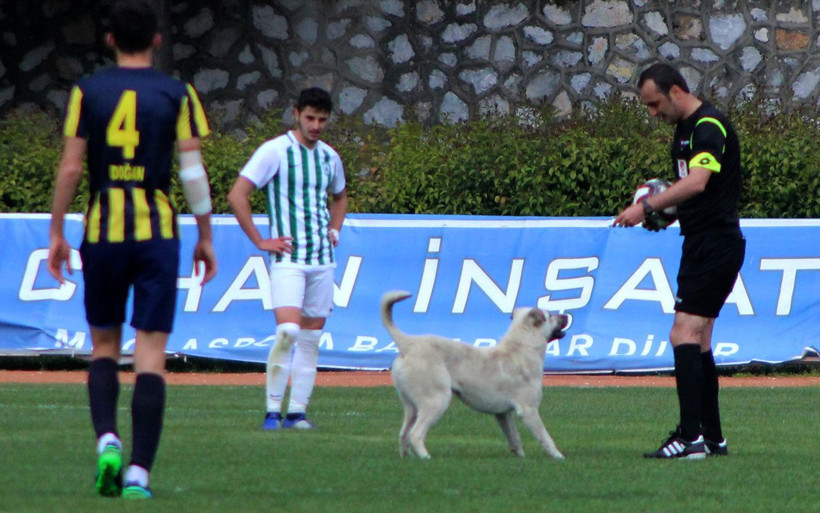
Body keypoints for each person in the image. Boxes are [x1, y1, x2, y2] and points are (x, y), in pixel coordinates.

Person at [47, 0, 217, 498]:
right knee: (150, 355)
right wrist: (206, 235)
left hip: (102, 231)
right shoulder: (176, 92)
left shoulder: (88, 91)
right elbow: (192, 172)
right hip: (155, 233)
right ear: (157, 41)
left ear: (110, 41)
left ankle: (107, 442)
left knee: (102, 347)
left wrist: (57, 231)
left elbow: (72, 168)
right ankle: (139, 473)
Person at [613, 62, 745, 459]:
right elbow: (694, 194)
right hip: (701, 241)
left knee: (683, 334)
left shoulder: (709, 126)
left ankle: (690, 439)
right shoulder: (685, 131)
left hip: (716, 245)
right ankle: (713, 436)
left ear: (674, 91)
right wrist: (667, 216)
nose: (653, 114)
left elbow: (698, 181)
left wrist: (647, 206)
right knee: (700, 340)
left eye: (654, 104)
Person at [227, 87, 348, 431]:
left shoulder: (329, 157)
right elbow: (238, 194)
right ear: (296, 113)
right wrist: (260, 240)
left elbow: (340, 196)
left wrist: (335, 229)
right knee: (288, 332)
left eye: (322, 120)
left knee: (310, 339)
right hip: (288, 258)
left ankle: (297, 412)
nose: (316, 126)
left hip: (322, 259)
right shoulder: (276, 151)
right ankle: (271, 410)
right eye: (310, 118)